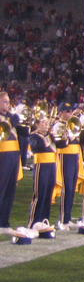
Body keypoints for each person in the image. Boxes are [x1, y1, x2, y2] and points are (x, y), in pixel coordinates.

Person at [27, 115, 57, 232]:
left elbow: (62, 145)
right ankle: (32, 223)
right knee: (40, 194)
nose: (46, 124)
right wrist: (50, 138)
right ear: (37, 124)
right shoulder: (34, 135)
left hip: (51, 166)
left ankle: (44, 221)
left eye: (47, 122)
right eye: (43, 122)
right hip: (41, 165)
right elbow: (38, 146)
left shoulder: (48, 136)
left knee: (48, 194)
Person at [0, 91, 21, 228]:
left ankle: (4, 222)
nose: (8, 104)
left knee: (10, 190)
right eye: (5, 101)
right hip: (3, 155)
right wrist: (12, 121)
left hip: (14, 155)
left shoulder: (10, 117)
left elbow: (25, 133)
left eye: (8, 101)